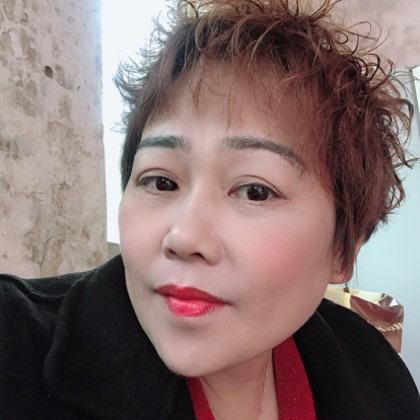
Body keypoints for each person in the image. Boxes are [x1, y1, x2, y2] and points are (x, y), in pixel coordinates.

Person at [1, 0, 420, 418]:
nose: (184, 237)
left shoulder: (372, 364)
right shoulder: (17, 341)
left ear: (343, 250)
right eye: (161, 182)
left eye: (255, 191)